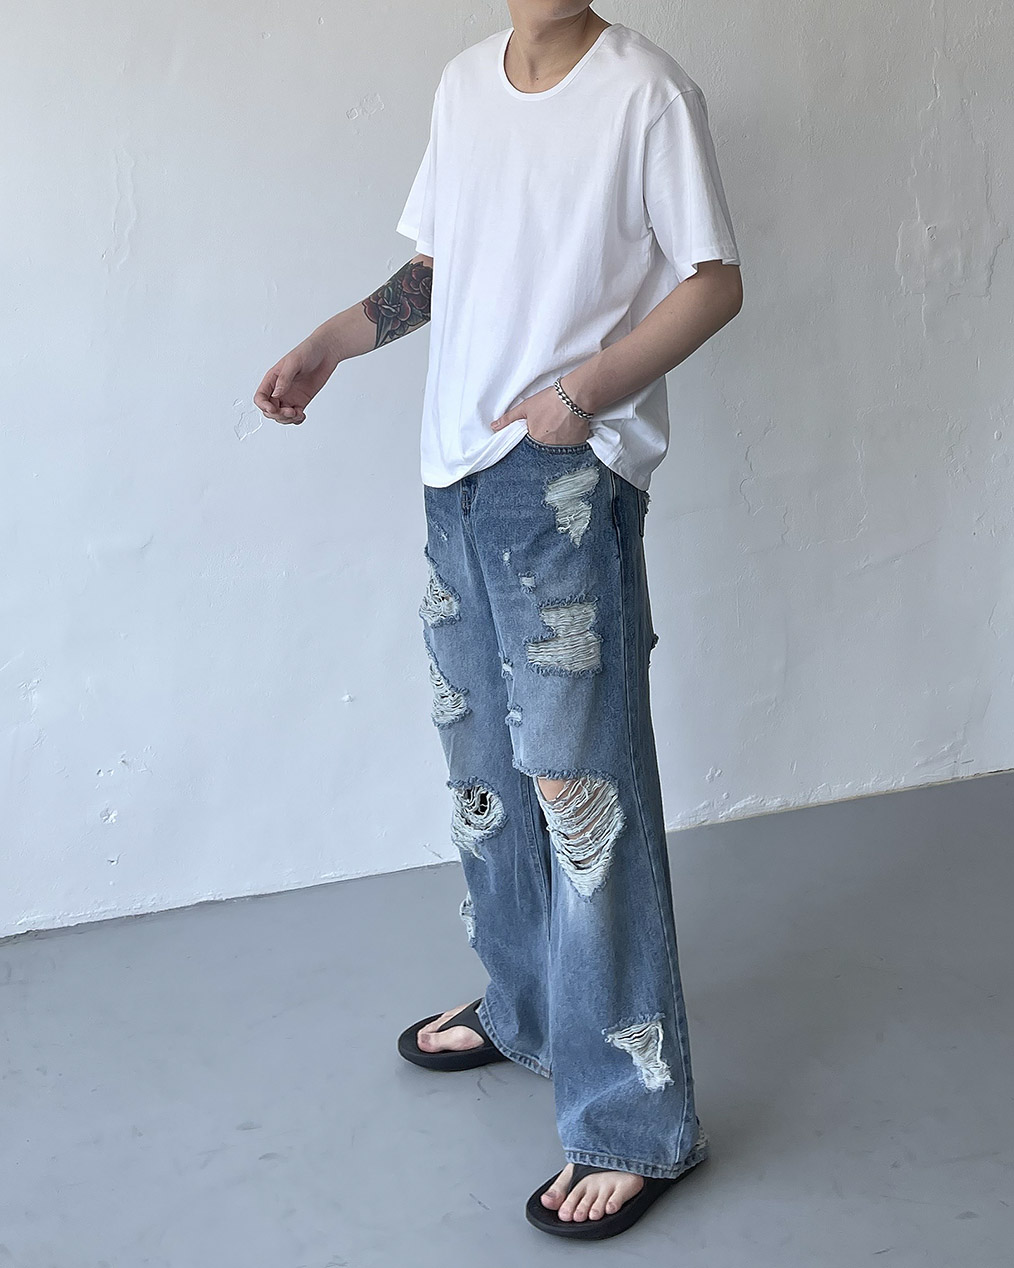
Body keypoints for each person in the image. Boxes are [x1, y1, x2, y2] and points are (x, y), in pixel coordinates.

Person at [254, 2, 742, 1240]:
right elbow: (442, 267)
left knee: (583, 793)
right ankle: (524, 1007)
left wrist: (584, 393)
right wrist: (334, 341)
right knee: (484, 769)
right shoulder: (465, 84)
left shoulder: (646, 92)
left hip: (563, 477)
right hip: (454, 476)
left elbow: (715, 283)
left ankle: (635, 1119)